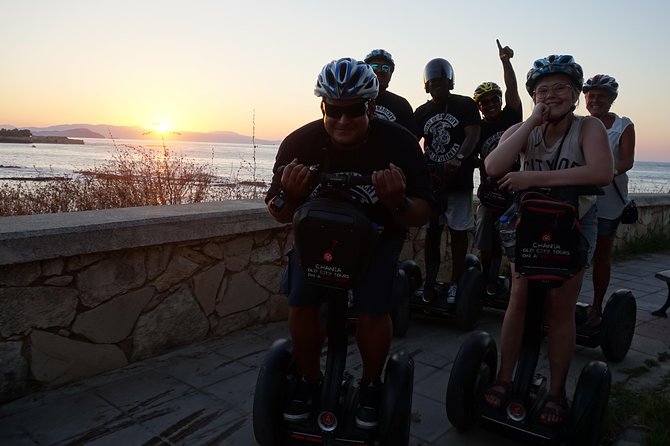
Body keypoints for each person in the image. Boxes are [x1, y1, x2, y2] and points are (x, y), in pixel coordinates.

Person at [265, 58, 433, 429]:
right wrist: (289, 198)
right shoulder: (300, 142)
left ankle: (372, 384)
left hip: (377, 237)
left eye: (354, 111)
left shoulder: (399, 144)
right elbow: (277, 208)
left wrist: (398, 203)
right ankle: (309, 380)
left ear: (371, 107)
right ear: (323, 106)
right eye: (334, 111)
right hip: (318, 239)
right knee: (301, 305)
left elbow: (423, 211)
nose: (343, 121)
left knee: (374, 308)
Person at [483, 55, 613, 426]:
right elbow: (494, 166)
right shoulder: (530, 128)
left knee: (560, 307)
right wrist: (530, 123)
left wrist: (533, 180)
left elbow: (602, 171)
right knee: (519, 298)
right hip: (531, 221)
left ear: (575, 96)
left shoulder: (588, 129)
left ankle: (556, 391)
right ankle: (505, 377)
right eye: (542, 90)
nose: (550, 95)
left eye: (560, 89)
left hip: (573, 222)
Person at [414, 57, 481, 303]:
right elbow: (412, 141)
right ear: (426, 86)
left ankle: (455, 282)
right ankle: (430, 281)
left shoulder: (464, 105)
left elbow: (473, 134)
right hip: (433, 183)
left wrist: (460, 157)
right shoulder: (422, 112)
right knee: (433, 231)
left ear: (450, 82)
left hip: (459, 181)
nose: (437, 87)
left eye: (441, 82)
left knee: (458, 232)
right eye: (433, 83)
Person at [582, 74, 636, 326]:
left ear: (611, 99)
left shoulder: (623, 126)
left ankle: (596, 306)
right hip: (580, 198)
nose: (595, 100)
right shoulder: (579, 124)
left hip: (608, 200)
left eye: (601, 96)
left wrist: (607, 170)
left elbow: (627, 160)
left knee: (602, 254)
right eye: (591, 96)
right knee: (571, 251)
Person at [472, 39, 523, 296]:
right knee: (485, 235)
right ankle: (487, 278)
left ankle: (517, 283)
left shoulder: (510, 117)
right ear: (479, 107)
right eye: (485, 102)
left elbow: (512, 87)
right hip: (489, 193)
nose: (491, 104)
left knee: (514, 239)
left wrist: (506, 62)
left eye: (494, 100)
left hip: (514, 190)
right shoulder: (478, 130)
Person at [363, 49, 415, 131]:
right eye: (374, 66)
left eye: (385, 68)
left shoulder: (402, 105)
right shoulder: (354, 100)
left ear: (391, 74)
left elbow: (411, 138)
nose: (380, 70)